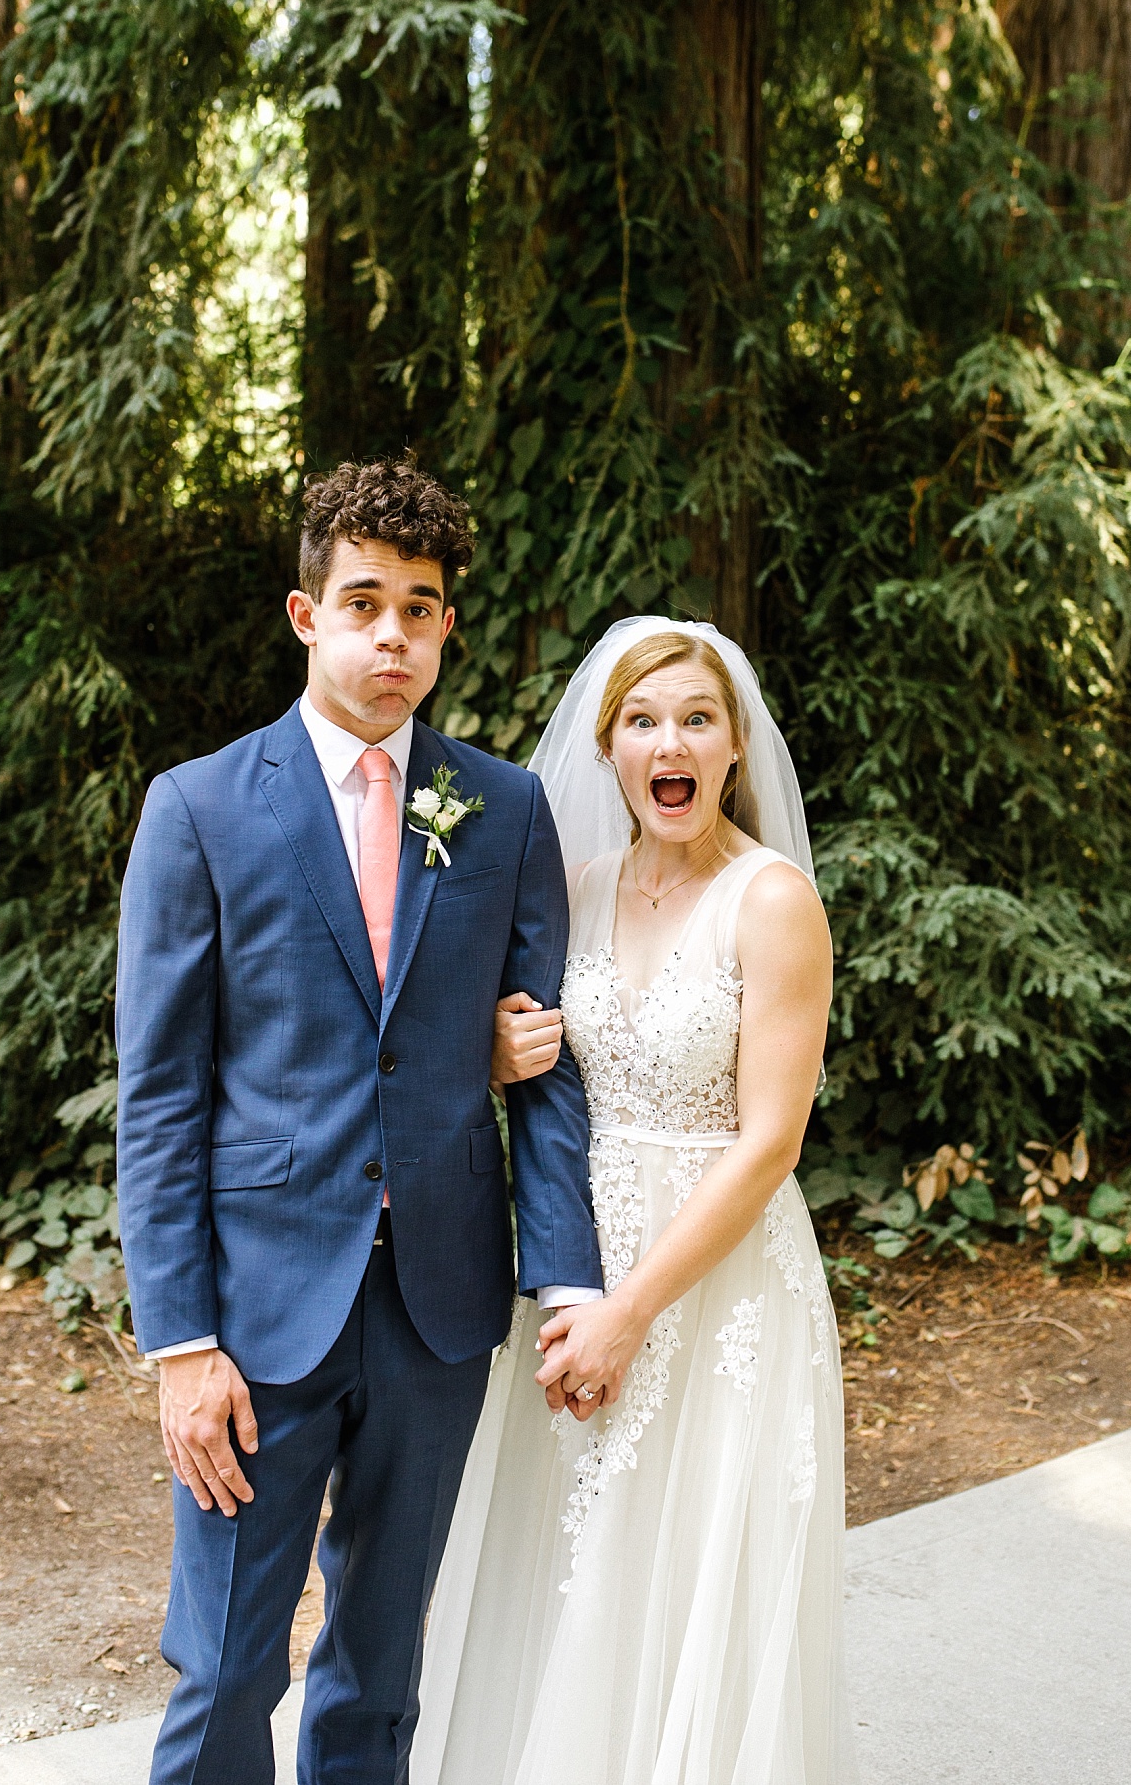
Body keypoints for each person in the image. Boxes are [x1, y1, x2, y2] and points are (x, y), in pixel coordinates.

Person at [115, 458, 601, 1784]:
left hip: (438, 1305)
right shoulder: (201, 809)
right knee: (224, 1662)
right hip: (256, 1313)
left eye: (423, 607)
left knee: (380, 1669)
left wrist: (564, 1279)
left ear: (448, 627)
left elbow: (540, 1060)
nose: (395, 633)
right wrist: (181, 1341)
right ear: (305, 613)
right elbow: (160, 1097)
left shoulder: (500, 807)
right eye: (366, 600)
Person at [412, 618, 846, 1785]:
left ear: (733, 746)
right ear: (607, 751)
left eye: (698, 720)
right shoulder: (580, 887)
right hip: (580, 1261)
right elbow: (544, 1072)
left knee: (693, 1574)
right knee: (574, 1566)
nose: (673, 742)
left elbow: (770, 1144)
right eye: (644, 721)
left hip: (716, 1288)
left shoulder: (772, 901)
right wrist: (506, 1048)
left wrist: (632, 1309)